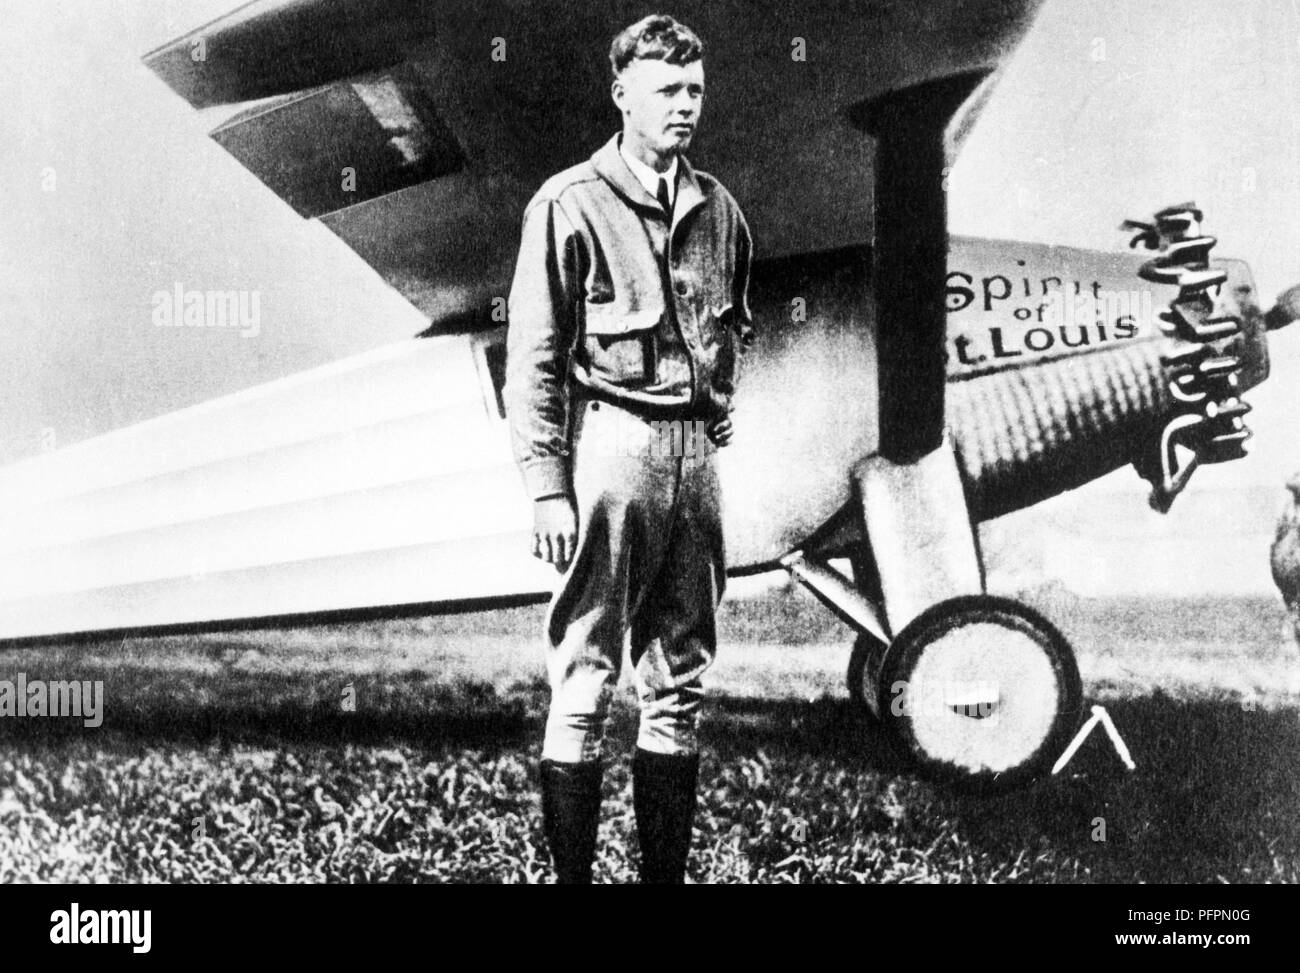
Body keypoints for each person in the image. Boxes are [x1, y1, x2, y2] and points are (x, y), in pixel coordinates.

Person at [504, 13, 754, 883]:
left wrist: (719, 402)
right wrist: (547, 485)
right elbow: (535, 357)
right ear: (622, 96)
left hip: (696, 459)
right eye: (666, 90)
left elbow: (734, 319)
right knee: (587, 672)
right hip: (614, 447)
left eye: (695, 90)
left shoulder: (719, 208)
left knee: (679, 682)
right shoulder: (568, 204)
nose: (686, 105)